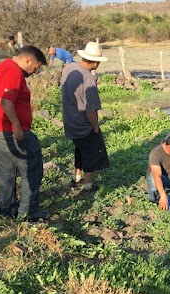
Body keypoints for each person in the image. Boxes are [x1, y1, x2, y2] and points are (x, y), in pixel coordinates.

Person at [0, 45, 48, 221]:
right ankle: (28, 212)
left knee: (6, 166)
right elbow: (5, 101)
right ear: (28, 60)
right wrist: (17, 125)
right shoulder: (13, 71)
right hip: (7, 130)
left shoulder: (2, 66)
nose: (34, 71)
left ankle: (5, 207)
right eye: (36, 67)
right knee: (31, 166)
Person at [60, 41, 109, 192]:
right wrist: (95, 127)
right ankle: (88, 184)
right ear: (95, 62)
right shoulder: (88, 79)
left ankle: (77, 177)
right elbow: (91, 110)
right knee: (91, 151)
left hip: (69, 120)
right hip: (82, 123)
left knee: (79, 148)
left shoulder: (69, 68)